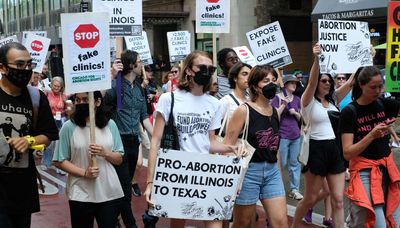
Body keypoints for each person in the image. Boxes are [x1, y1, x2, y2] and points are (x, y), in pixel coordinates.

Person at [144, 50, 237, 228]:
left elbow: (210, 143)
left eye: (211, 68)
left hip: (204, 173)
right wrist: (150, 182)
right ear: (188, 70)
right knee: (178, 223)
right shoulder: (169, 99)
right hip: (177, 173)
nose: (206, 71)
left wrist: (231, 149)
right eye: (201, 67)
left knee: (215, 223)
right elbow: (155, 142)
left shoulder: (214, 103)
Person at [291, 43, 352, 228]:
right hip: (316, 150)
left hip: (334, 150)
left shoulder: (333, 99)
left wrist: (365, 60)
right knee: (310, 198)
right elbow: (311, 82)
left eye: (329, 81)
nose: (327, 83)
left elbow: (350, 83)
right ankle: (294, 225)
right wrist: (317, 58)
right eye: (323, 81)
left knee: (338, 200)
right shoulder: (307, 101)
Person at [0, 42, 58, 227]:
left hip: (22, 189)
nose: (25, 69)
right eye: (19, 65)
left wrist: (29, 140)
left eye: (29, 64)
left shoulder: (36, 97)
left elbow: (48, 134)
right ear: (2, 67)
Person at [224, 65, 288, 228]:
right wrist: (232, 179)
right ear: (254, 86)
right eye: (266, 81)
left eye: (274, 80)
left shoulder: (275, 112)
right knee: (243, 223)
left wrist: (278, 174)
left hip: (272, 172)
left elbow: (275, 146)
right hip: (248, 173)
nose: (271, 84)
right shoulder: (243, 110)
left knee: (281, 222)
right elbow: (227, 145)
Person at [339, 66, 400, 227]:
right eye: (373, 87)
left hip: (386, 168)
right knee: (376, 222)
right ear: (361, 85)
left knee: (395, 220)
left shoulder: (384, 104)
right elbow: (347, 153)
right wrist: (371, 135)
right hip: (364, 171)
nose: (378, 91)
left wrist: (390, 131)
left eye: (380, 86)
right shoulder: (350, 112)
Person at [53, 91, 125, 228]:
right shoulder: (68, 127)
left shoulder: (111, 125)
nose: (81, 103)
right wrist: (84, 173)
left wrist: (105, 153)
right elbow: (59, 160)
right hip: (80, 193)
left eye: (86, 99)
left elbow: (119, 159)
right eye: (78, 100)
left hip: (108, 192)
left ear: (97, 102)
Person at [104, 50, 153, 228]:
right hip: (119, 142)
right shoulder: (117, 85)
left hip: (134, 141)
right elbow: (102, 99)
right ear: (132, 65)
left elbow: (144, 117)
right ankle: (130, 224)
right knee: (125, 188)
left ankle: (111, 219)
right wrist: (112, 76)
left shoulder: (140, 88)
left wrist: (157, 136)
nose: (142, 65)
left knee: (123, 188)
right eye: (139, 62)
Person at [271, 75, 303, 200]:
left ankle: (295, 189)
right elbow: (274, 116)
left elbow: (302, 118)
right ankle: (277, 188)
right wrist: (284, 104)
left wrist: (295, 113)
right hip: (282, 135)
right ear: (285, 84)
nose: (295, 85)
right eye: (292, 83)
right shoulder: (277, 98)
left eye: (296, 83)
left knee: (295, 163)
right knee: (281, 163)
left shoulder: (297, 99)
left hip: (296, 135)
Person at [41, 76, 68, 172]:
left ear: (61, 87)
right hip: (50, 120)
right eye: (55, 85)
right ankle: (46, 162)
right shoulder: (46, 94)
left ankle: (59, 165)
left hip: (61, 119)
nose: (56, 88)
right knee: (49, 142)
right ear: (51, 85)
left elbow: (67, 109)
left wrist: (67, 105)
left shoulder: (64, 96)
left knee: (59, 143)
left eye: (58, 86)